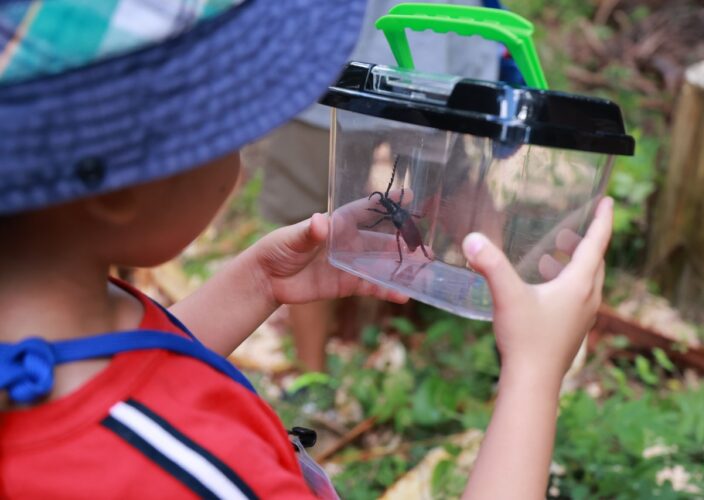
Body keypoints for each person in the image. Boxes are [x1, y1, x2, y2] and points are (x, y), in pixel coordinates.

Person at [0, 1, 613, 498]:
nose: (243, 151)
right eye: (231, 127)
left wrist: (257, 284)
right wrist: (534, 374)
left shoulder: (59, 324)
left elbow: (115, 370)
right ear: (125, 185)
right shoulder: (205, 473)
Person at [250, 0, 508, 372]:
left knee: (444, 188)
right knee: (313, 218)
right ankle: (316, 372)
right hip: (413, 55)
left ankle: (315, 371)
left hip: (402, 58)